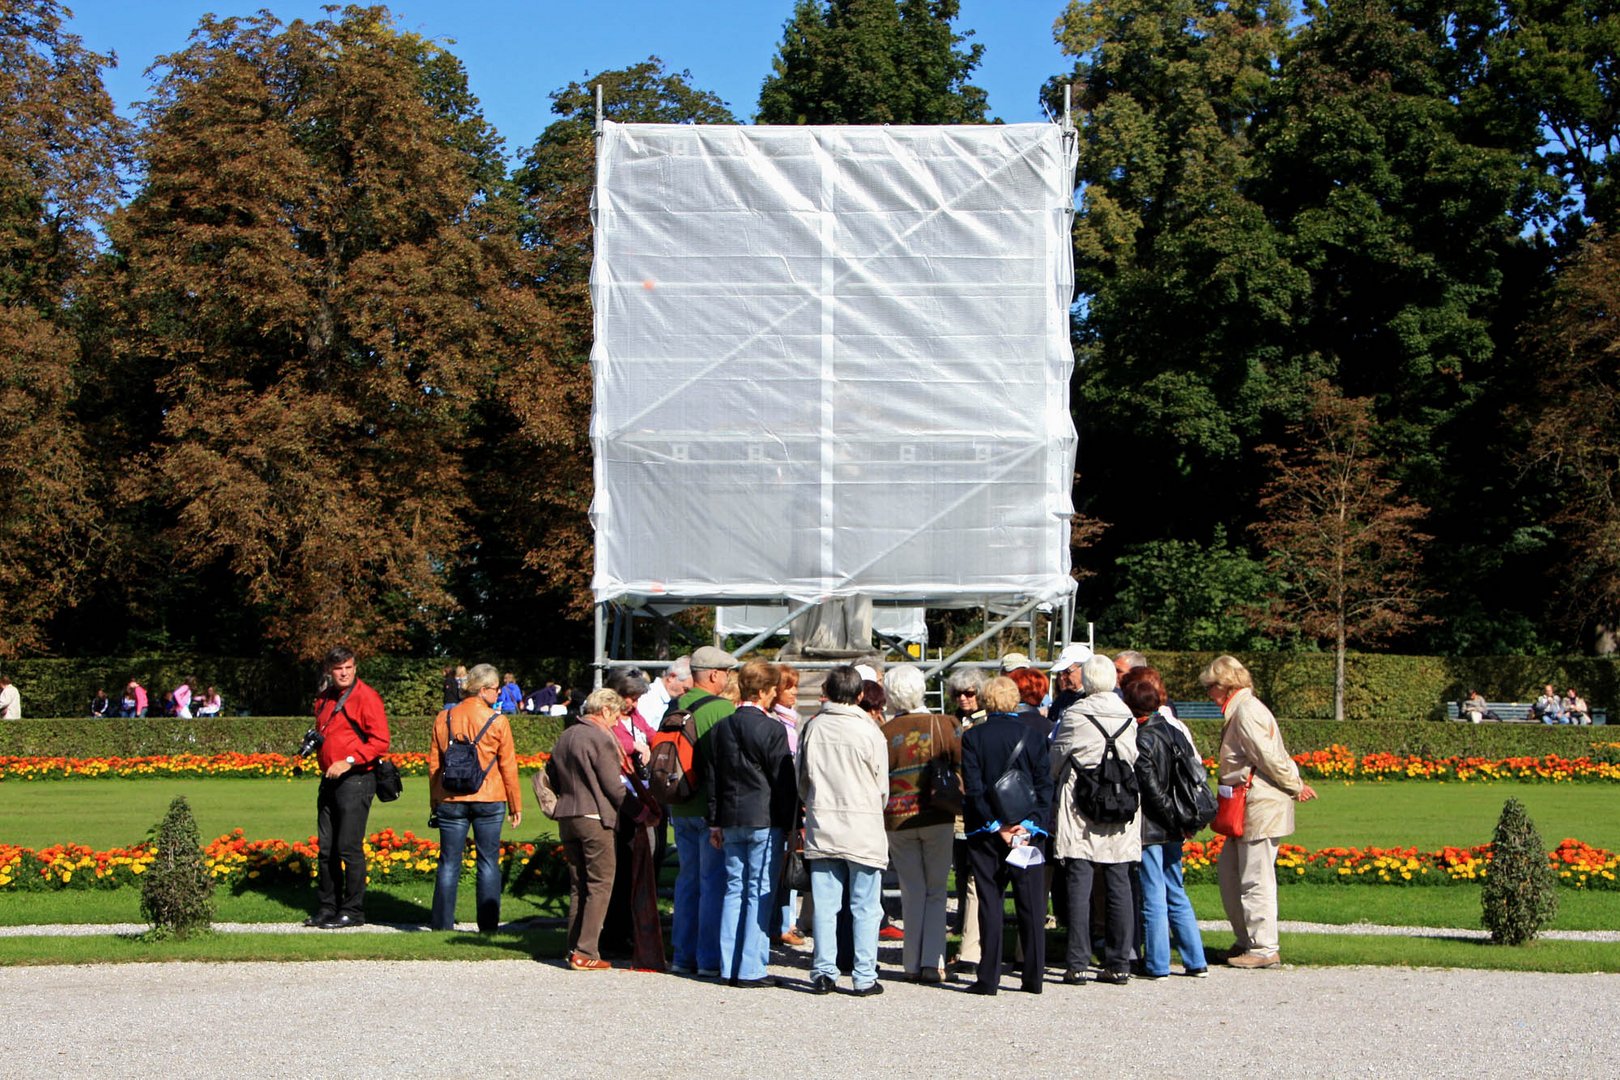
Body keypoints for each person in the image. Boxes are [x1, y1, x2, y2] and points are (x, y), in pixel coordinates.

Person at [1203, 654, 1317, 968]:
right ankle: (1246, 941)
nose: (1209, 695)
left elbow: (1269, 756)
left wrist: (1295, 785)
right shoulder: (1241, 709)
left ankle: (1264, 948)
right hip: (1246, 803)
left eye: (1211, 688)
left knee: (1255, 878)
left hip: (1259, 803)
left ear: (1225, 685)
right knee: (1231, 875)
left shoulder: (1246, 711)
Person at [799, 664, 890, 995]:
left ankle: (824, 970)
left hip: (824, 822)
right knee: (865, 904)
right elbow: (882, 787)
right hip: (863, 824)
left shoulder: (813, 728)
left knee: (825, 904)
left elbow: (802, 779)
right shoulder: (869, 731)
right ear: (861, 694)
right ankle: (864, 975)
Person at [960, 675, 1052, 995]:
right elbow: (1044, 788)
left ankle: (988, 978)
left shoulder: (974, 738)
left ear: (985, 701)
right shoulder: (1036, 735)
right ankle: (1033, 977)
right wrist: (1028, 825)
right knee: (1031, 903)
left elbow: (974, 789)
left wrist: (996, 825)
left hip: (987, 833)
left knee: (990, 903)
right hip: (1028, 830)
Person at [1050, 654, 1139, 985]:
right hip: (1121, 799)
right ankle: (1119, 961)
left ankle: (1077, 962)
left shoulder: (1076, 714)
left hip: (1081, 799)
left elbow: (1057, 756)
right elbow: (1132, 755)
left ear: (1086, 681)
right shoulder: (1127, 713)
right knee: (1118, 879)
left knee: (1079, 878)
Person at [707, 660, 796, 987]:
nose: (776, 694)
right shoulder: (772, 729)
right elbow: (783, 782)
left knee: (734, 890)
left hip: (730, 817)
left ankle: (729, 964)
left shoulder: (722, 727)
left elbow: (713, 778)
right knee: (759, 891)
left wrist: (714, 822)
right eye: (773, 689)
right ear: (762, 691)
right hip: (763, 818)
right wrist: (790, 823)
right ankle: (751, 968)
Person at [880, 664, 961, 984]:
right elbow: (960, 766)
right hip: (938, 813)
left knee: (911, 890)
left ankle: (911, 962)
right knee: (937, 890)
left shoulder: (884, 733)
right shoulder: (947, 724)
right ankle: (933, 961)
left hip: (898, 818)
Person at [428, 663, 522, 932]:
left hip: (450, 798)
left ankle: (441, 926)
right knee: (488, 861)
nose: (499, 693)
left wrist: (435, 798)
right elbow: (508, 766)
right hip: (489, 798)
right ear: (483, 691)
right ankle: (489, 925)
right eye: (495, 689)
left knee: (448, 862)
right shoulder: (498, 721)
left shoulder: (443, 718)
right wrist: (516, 804)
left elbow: (435, 764)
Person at [1127, 676, 1209, 979]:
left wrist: (1169, 817)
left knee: (1153, 893)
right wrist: (1182, 819)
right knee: (1176, 889)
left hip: (1153, 824)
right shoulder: (1175, 731)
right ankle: (1195, 959)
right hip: (1176, 821)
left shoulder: (1142, 737)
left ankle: (1158, 962)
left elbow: (1150, 788)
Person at [306, 646, 391, 929]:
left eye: (348, 667)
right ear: (329, 671)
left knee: (348, 847)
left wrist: (349, 760)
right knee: (326, 848)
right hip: (329, 780)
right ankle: (328, 907)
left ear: (355, 668)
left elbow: (380, 741)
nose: (344, 673)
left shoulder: (366, 697)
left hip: (356, 779)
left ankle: (353, 910)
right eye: (338, 668)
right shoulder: (326, 698)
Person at [668, 645, 739, 977]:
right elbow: (726, 764)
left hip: (679, 805)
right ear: (714, 675)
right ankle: (708, 959)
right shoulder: (722, 709)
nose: (727, 678)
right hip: (708, 808)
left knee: (687, 882)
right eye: (726, 672)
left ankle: (682, 955)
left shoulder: (676, 704)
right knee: (713, 884)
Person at [547, 688, 629, 970]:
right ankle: (586, 950)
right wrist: (642, 809)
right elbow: (613, 786)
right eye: (616, 715)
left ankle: (573, 947)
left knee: (578, 885)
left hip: (567, 815)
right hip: (594, 817)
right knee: (600, 884)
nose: (617, 722)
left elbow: (552, 776)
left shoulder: (567, 735)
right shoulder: (599, 737)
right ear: (605, 710)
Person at [599, 667, 663, 966]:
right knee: (621, 872)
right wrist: (633, 745)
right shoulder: (606, 716)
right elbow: (604, 739)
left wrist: (653, 744)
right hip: (618, 803)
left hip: (639, 799)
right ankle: (613, 934)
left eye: (636, 697)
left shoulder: (635, 717)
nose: (634, 703)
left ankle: (628, 931)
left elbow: (652, 735)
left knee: (639, 869)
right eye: (629, 697)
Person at [770, 664, 807, 946]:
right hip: (781, 802)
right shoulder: (778, 723)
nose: (794, 692)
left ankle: (786, 922)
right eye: (789, 687)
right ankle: (780, 923)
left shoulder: (792, 721)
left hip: (792, 800)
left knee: (789, 864)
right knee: (781, 865)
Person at [637, 657, 692, 730]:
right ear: (672, 677)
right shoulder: (647, 699)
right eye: (685, 689)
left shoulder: (672, 702)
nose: (685, 694)